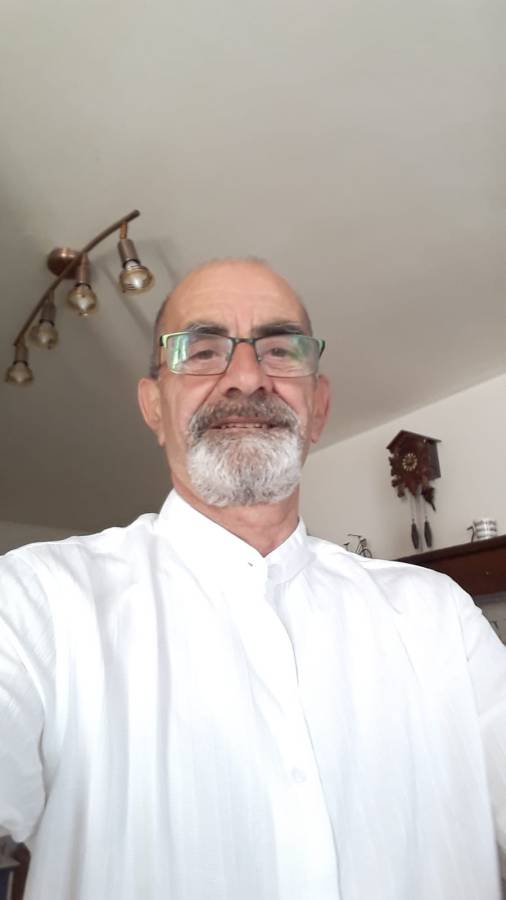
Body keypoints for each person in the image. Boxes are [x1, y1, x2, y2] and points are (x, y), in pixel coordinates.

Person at [0, 258, 505, 900]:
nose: (246, 375)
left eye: (280, 350)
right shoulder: (37, 600)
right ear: (154, 407)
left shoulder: (439, 615)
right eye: (202, 350)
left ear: (318, 408)